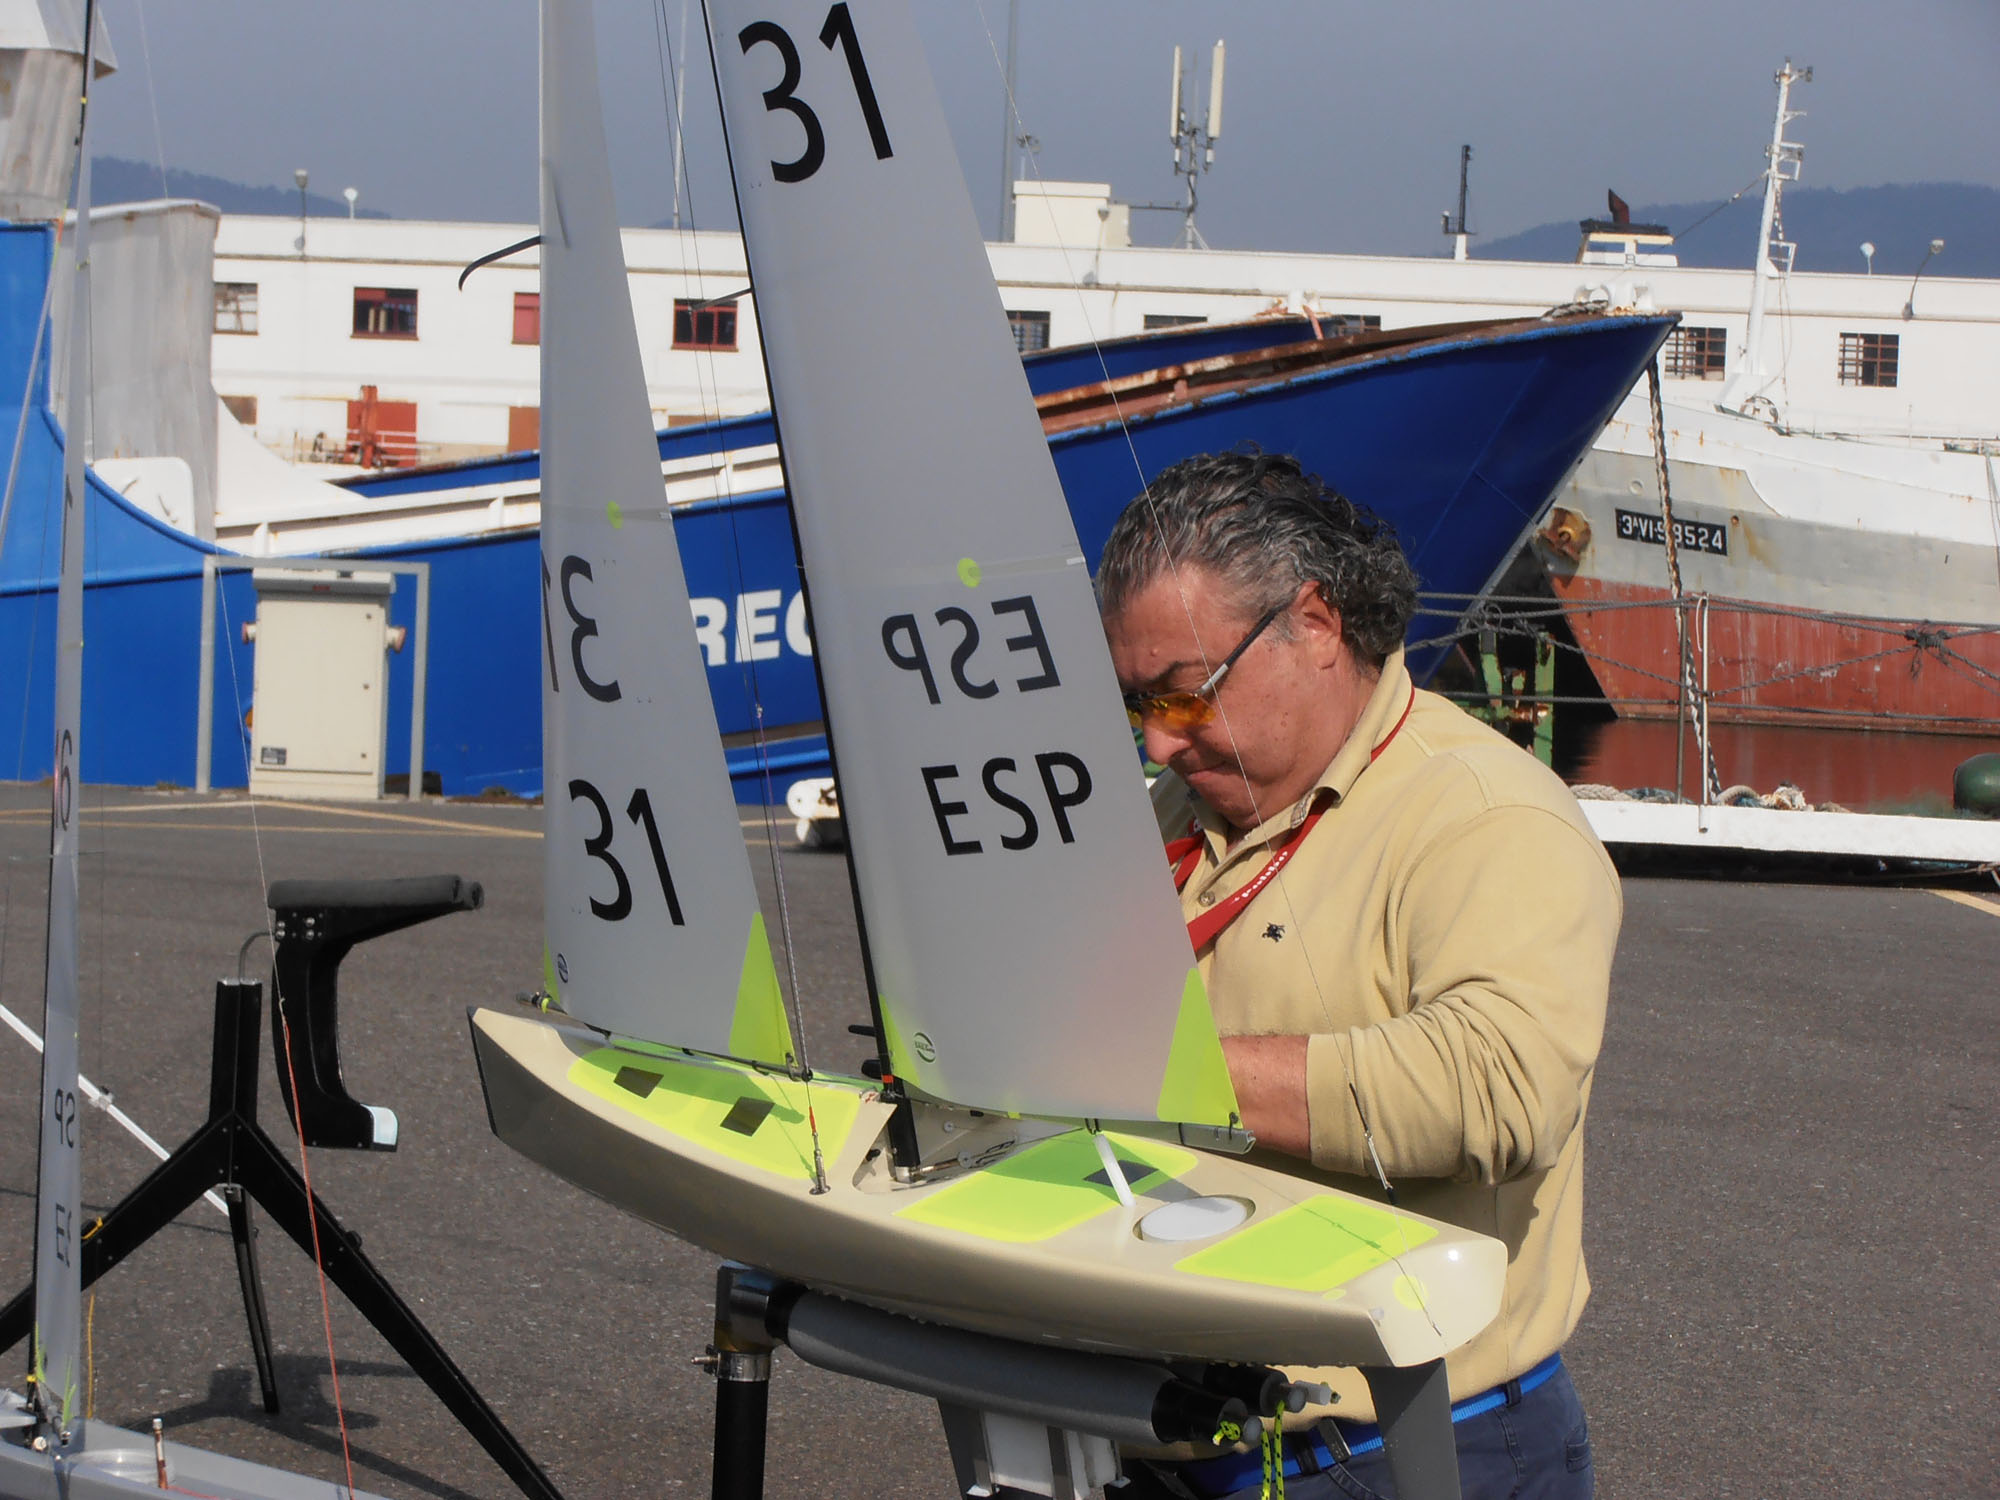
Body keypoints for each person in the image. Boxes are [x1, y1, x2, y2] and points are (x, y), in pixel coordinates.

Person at [1096, 450, 1619, 1500]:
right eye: (1133, 704)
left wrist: (1141, 1068)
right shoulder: (1175, 814)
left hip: (1406, 1447)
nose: (1157, 741)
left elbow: (1498, 1088)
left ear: (1316, 625)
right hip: (1170, 1424)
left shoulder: (1484, 816)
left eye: (1184, 695)